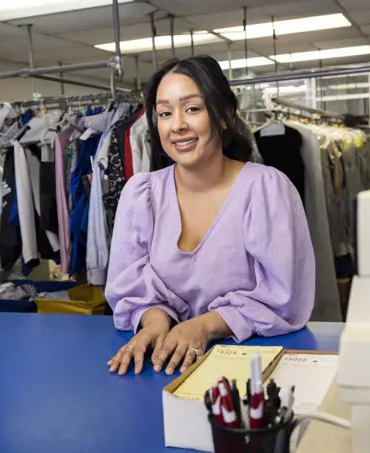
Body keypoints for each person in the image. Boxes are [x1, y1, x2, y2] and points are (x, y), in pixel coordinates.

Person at [105, 55, 315, 376]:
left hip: (250, 366)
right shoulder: (141, 194)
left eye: (192, 109)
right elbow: (130, 284)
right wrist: (154, 321)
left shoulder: (265, 189)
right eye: (164, 113)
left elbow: (284, 297)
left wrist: (204, 326)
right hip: (164, 365)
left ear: (223, 116)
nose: (177, 125)